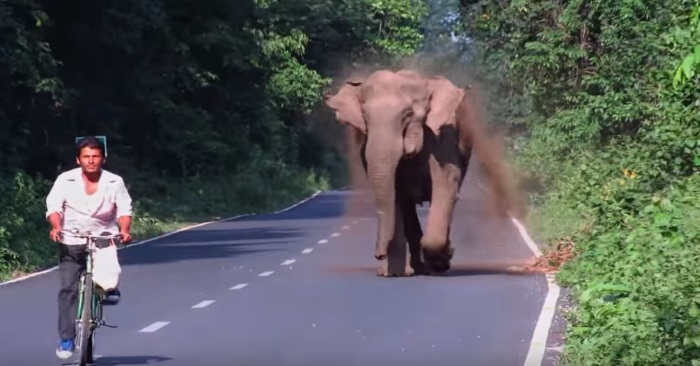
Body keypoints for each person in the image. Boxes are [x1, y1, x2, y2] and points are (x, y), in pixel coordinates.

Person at [45, 136, 134, 360]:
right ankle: (66, 338)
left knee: (108, 278)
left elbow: (124, 210)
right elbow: (54, 207)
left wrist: (124, 230)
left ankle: (106, 290)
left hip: (103, 234)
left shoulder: (115, 182)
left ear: (102, 158)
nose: (91, 161)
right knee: (67, 289)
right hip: (72, 236)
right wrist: (56, 227)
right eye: (87, 157)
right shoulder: (65, 180)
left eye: (95, 156)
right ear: (78, 160)